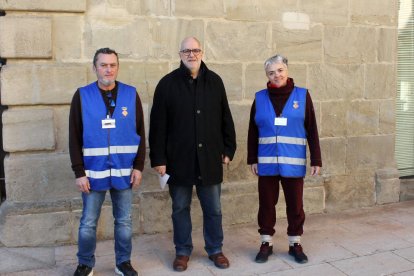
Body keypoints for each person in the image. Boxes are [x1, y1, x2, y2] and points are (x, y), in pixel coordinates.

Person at [149, 37, 237, 272]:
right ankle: (182, 251)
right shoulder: (166, 84)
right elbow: (157, 125)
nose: (191, 54)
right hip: (178, 161)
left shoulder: (215, 82)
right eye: (186, 51)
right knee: (180, 208)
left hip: (209, 159)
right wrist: (158, 160)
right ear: (180, 54)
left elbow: (225, 118)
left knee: (214, 209)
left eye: (195, 50)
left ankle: (215, 249)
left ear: (202, 52)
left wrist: (229, 149)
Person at [69, 47, 145, 276]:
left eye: (112, 65)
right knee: (88, 223)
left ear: (117, 67)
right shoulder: (82, 95)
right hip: (93, 173)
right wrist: (78, 172)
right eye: (103, 65)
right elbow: (74, 136)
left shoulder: (131, 94)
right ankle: (85, 264)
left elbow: (140, 132)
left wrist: (139, 167)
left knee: (124, 221)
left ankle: (123, 263)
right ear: (95, 68)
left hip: (124, 170)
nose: (108, 69)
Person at [247, 54, 322, 264]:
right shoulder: (260, 97)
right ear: (267, 75)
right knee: (266, 205)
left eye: (279, 70)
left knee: (295, 205)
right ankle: (266, 242)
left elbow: (312, 129)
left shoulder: (302, 96)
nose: (276, 75)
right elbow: (253, 130)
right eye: (271, 72)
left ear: (287, 71)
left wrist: (316, 158)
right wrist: (252, 158)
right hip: (267, 162)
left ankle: (295, 243)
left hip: (293, 162)